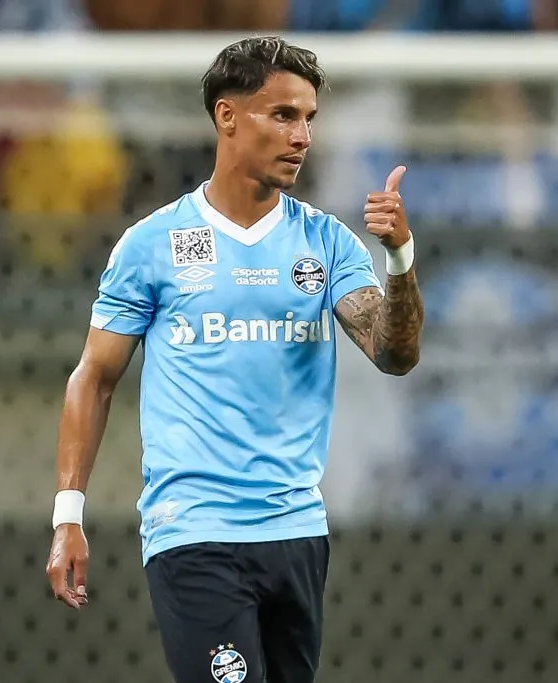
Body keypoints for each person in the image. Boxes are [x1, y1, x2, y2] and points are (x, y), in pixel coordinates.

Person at [45, 36, 425, 683]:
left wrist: (399, 258)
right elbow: (94, 376)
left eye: (309, 118)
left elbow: (394, 352)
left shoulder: (327, 244)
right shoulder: (153, 245)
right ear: (227, 117)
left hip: (297, 529)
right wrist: (67, 515)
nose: (302, 136)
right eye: (283, 115)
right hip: (194, 531)